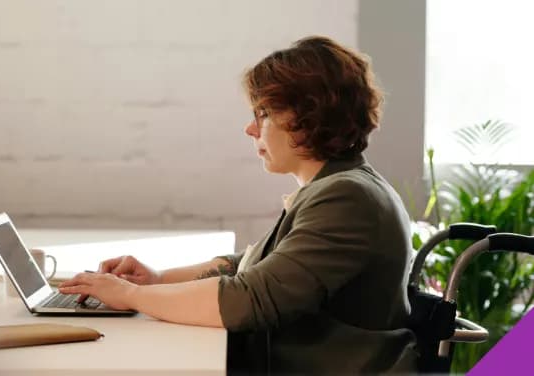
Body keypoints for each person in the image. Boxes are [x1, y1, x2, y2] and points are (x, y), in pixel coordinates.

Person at [59, 36, 417, 374]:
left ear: (307, 117)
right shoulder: (339, 186)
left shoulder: (347, 198)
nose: (250, 129)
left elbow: (252, 298)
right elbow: (252, 265)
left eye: (263, 113)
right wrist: (155, 280)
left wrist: (133, 296)